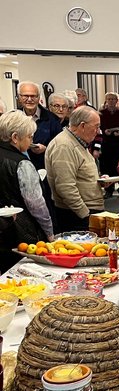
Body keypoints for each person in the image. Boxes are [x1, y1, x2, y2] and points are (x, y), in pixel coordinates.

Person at [0, 111, 54, 271]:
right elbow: (36, 204)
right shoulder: (22, 163)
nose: (32, 140)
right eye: (30, 136)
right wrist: (49, 232)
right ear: (15, 137)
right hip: (21, 233)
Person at [44, 106, 104, 232]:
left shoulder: (78, 142)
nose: (98, 131)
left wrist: (99, 180)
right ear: (82, 125)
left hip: (85, 211)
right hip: (76, 216)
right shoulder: (64, 146)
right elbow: (65, 187)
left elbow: (80, 175)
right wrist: (85, 215)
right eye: (96, 126)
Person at [99, 92, 119, 199]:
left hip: (118, 144)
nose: (111, 101)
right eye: (109, 99)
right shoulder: (102, 114)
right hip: (106, 144)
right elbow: (98, 128)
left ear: (117, 101)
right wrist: (104, 131)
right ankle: (109, 190)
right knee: (106, 167)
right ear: (106, 101)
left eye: (113, 99)